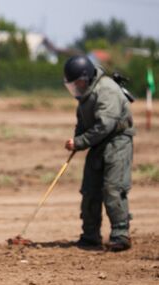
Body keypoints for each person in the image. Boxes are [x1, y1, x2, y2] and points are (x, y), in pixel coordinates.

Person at [63, 55, 134, 252]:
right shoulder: (85, 96)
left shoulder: (106, 89)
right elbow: (83, 124)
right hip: (97, 144)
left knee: (113, 188)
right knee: (89, 191)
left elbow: (105, 125)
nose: (75, 89)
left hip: (117, 142)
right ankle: (90, 235)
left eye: (77, 84)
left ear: (86, 78)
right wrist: (77, 141)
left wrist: (80, 142)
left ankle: (120, 235)